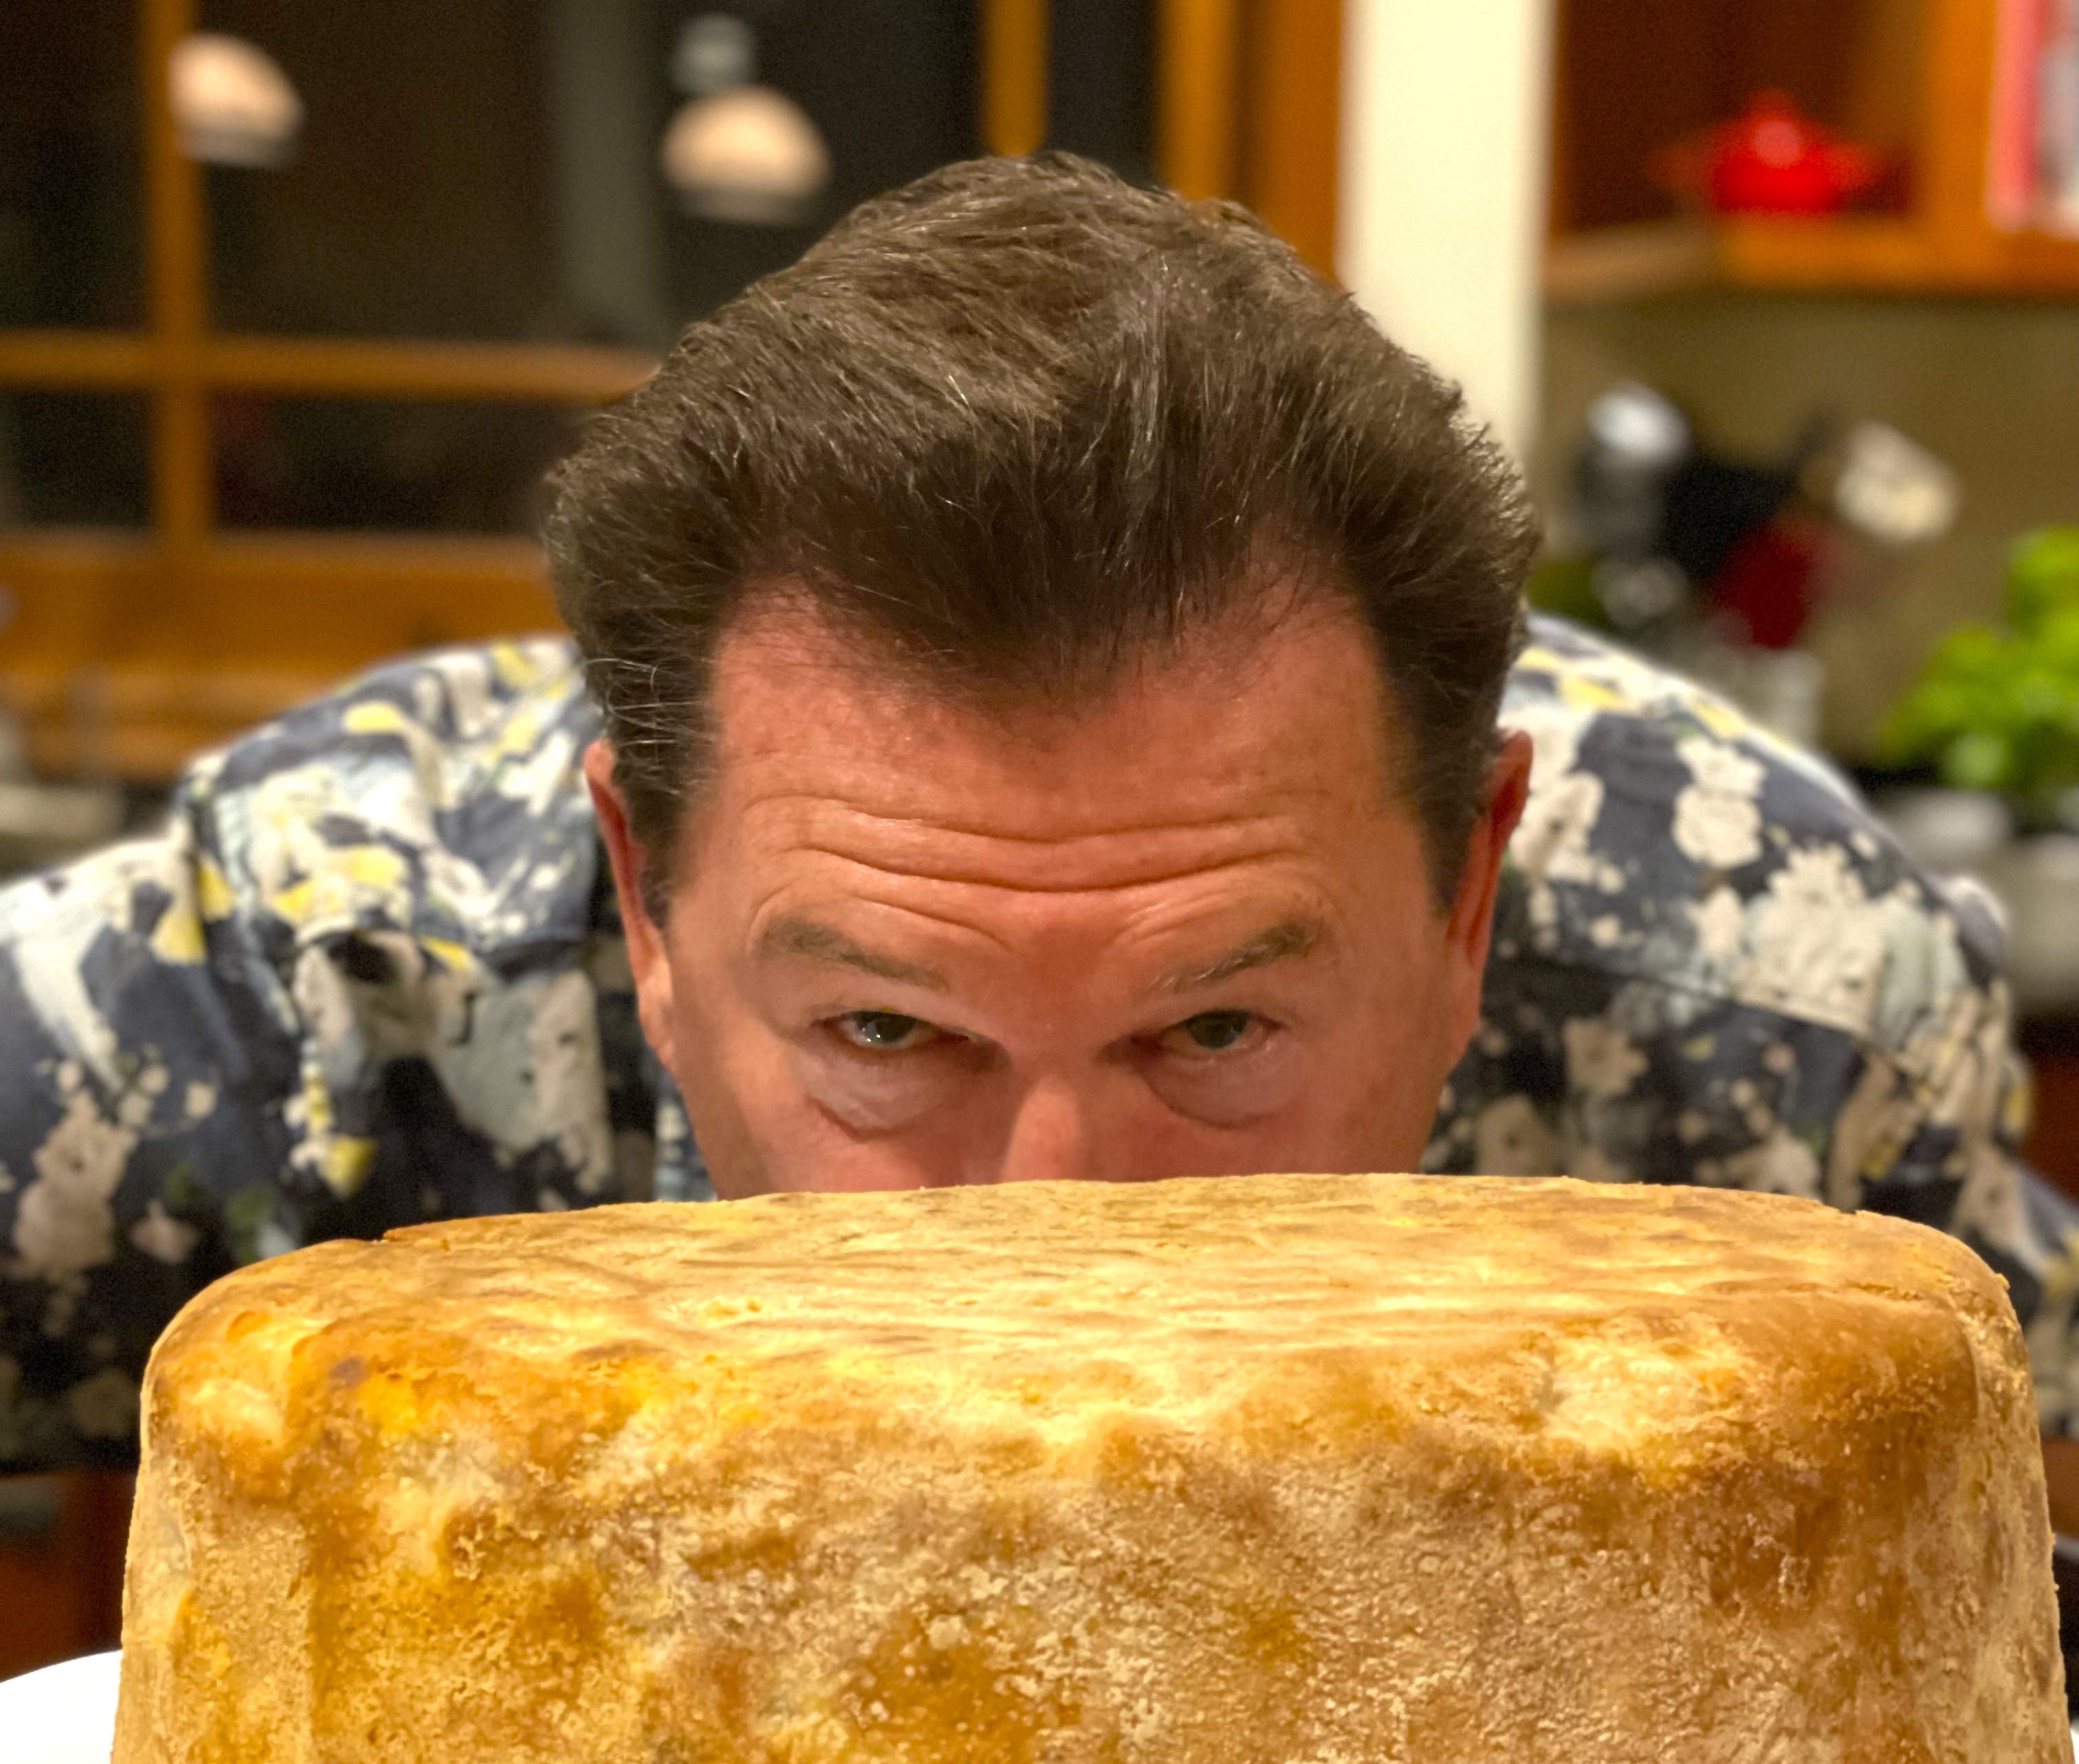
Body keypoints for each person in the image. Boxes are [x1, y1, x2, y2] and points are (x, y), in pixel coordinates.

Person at [4, 154, 2078, 1524]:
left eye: (1219, 1031)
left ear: (1469, 895)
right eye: (889, 1035)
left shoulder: (1792, 1022)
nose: (1055, 1232)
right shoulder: (336, 967)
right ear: (643, 896)